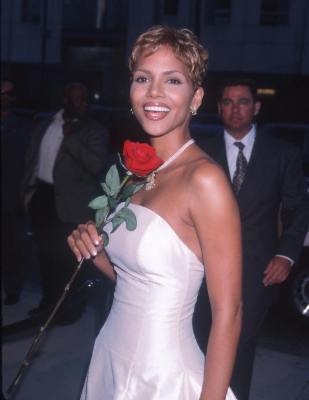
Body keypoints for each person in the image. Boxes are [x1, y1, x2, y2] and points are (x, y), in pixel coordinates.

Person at [68, 26, 242, 399]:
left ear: (196, 97)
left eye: (173, 80)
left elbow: (229, 313)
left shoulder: (204, 180)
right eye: (143, 78)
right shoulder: (136, 172)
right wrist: (95, 250)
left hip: (162, 378)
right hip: (109, 358)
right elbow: (137, 281)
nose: (154, 92)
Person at [195, 78, 309, 400]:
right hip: (201, 266)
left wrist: (286, 255)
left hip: (256, 270)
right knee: (200, 340)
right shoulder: (200, 149)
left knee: (239, 347)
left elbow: (299, 209)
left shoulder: (282, 153)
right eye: (228, 102)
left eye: (243, 102)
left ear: (256, 108)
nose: (235, 109)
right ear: (218, 108)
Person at [21, 82, 109, 324]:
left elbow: (95, 165)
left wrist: (72, 139)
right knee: (44, 255)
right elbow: (32, 159)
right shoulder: (46, 123)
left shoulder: (94, 131)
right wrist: (26, 191)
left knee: (68, 260)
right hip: (42, 196)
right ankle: (48, 304)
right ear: (65, 100)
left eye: (84, 99)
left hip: (71, 204)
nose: (81, 103)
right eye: (75, 99)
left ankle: (70, 310)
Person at [1, 80, 32, 305]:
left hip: (12, 199)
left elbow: (31, 165)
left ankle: (12, 289)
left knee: (13, 249)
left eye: (8, 93)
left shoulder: (24, 127)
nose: (4, 97)